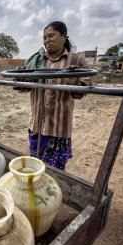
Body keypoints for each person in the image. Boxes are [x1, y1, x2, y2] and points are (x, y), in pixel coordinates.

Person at [24, 21, 91, 170]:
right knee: (35, 169)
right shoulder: (37, 60)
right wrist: (20, 77)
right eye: (45, 37)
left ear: (64, 36)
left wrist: (72, 78)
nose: (47, 40)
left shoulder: (76, 60)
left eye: (51, 36)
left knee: (54, 174)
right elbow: (23, 87)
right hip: (37, 125)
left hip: (59, 128)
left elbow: (82, 91)